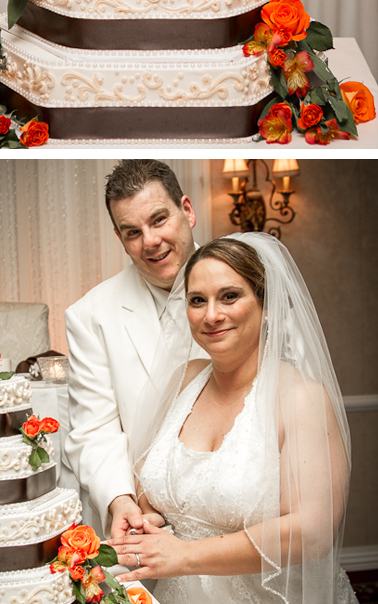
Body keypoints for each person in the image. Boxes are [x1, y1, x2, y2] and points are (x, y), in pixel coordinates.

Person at [111, 233, 356, 604]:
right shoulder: (184, 379)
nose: (211, 315)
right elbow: (152, 478)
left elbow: (313, 532)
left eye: (229, 296)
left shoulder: (301, 399)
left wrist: (186, 556)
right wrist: (145, 516)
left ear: (266, 303)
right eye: (197, 301)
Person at [64, 160, 199, 536]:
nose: (150, 242)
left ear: (186, 211)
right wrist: (120, 499)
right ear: (119, 238)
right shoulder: (89, 315)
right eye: (132, 232)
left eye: (159, 220)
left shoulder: (250, 283)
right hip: (146, 522)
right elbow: (93, 429)